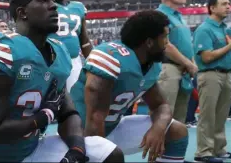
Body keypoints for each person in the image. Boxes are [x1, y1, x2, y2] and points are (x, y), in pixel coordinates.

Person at [0, 0, 124, 162]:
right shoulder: (4, 49)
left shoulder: (60, 52)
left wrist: (77, 149)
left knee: (110, 153)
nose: (53, 5)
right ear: (22, 13)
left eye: (52, 0)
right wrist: (43, 118)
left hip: (33, 149)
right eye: (43, 0)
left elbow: (68, 113)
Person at [72, 10, 189, 162]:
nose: (167, 43)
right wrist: (103, 154)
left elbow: (161, 106)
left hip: (112, 127)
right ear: (149, 42)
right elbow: (95, 118)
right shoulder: (111, 58)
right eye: (164, 37)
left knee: (176, 131)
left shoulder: (149, 65)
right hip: (80, 134)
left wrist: (158, 128)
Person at [193, 0, 231, 162]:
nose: (228, 7)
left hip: (227, 75)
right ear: (212, 8)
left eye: (229, 4)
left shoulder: (225, 29)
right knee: (208, 115)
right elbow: (207, 57)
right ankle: (203, 152)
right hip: (210, 75)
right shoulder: (204, 29)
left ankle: (219, 149)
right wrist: (230, 46)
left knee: (221, 115)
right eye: (224, 4)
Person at [156, 0, 198, 124]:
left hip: (183, 71)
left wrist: (191, 62)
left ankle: (175, 147)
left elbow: (186, 44)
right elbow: (166, 45)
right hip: (168, 69)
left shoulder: (179, 17)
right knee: (163, 119)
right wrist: (189, 63)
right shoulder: (159, 15)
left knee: (178, 122)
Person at [49, 0, 92, 92]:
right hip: (53, 60)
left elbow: (84, 38)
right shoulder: (46, 7)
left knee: (75, 96)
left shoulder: (78, 7)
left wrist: (92, 61)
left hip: (74, 60)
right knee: (53, 97)